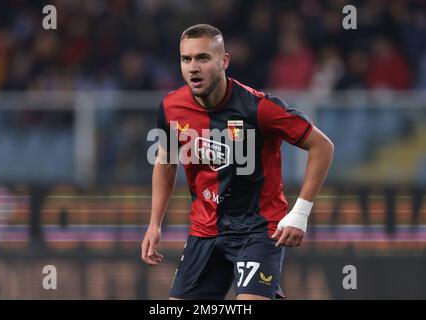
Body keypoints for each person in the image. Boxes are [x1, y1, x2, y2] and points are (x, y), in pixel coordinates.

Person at [141, 24, 334, 300]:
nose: (193, 67)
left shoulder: (259, 108)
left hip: (257, 228)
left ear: (224, 61)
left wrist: (300, 214)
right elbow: (165, 161)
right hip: (204, 230)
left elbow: (322, 146)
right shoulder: (171, 108)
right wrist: (154, 223)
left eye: (203, 58)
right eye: (186, 59)